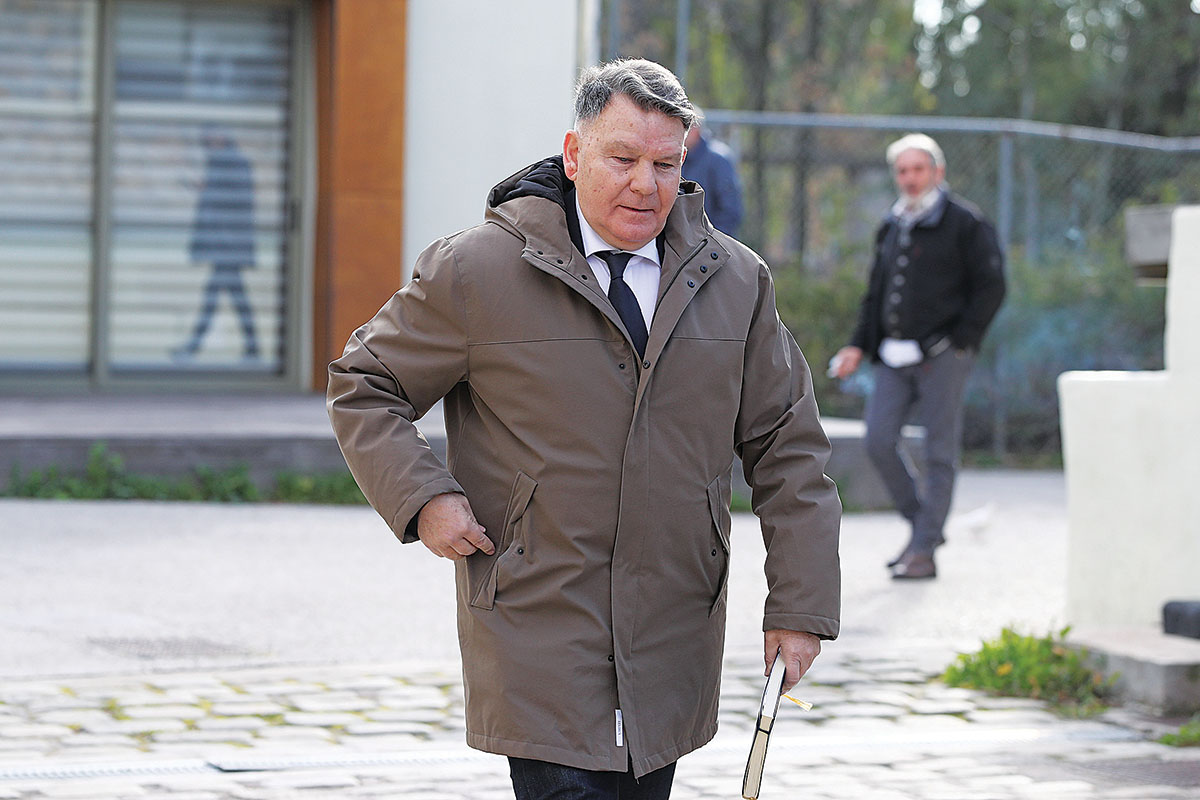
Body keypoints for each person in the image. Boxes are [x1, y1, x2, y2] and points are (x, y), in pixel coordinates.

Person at [327, 58, 840, 800]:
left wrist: (800, 606)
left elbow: (789, 449)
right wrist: (424, 498)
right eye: (622, 159)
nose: (646, 185)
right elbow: (364, 384)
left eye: (665, 165)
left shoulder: (736, 281)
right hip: (539, 627)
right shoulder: (476, 271)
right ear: (573, 155)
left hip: (672, 635)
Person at [831, 133, 1005, 581]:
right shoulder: (892, 224)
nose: (910, 178)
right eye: (902, 171)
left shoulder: (965, 222)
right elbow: (876, 293)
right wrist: (857, 345)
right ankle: (924, 529)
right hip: (892, 356)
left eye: (918, 169)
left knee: (938, 450)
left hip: (943, 356)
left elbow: (992, 286)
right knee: (878, 439)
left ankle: (923, 550)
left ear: (937, 172)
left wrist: (961, 341)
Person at [173, 126, 259, 361]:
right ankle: (252, 348)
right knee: (235, 297)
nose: (209, 140)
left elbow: (238, 201)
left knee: (214, 297)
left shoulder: (233, 162)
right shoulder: (219, 162)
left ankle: (193, 347)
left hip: (228, 242)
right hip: (224, 242)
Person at [681, 112, 744, 236]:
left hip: (709, 240)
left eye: (684, 128)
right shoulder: (677, 157)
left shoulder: (718, 159)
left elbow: (730, 209)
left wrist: (712, 239)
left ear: (696, 129)